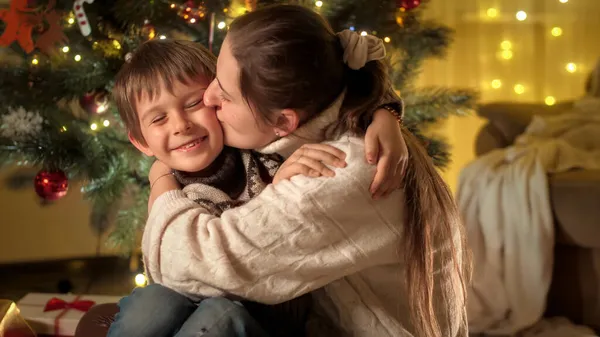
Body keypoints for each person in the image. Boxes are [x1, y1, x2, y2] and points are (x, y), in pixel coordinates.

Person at [143, 5, 470, 337]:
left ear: (284, 122)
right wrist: (385, 108)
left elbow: (197, 263)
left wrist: (161, 178)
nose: (208, 97)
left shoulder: (338, 170)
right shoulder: (336, 111)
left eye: (225, 96)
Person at [108, 39, 409, 337]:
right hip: (190, 290)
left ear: (217, 96)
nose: (180, 125)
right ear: (141, 142)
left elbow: (325, 92)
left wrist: (384, 111)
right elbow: (173, 267)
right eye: (159, 118)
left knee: (220, 314)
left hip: (269, 308)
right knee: (151, 304)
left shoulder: (258, 142)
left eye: (193, 103)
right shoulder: (169, 191)